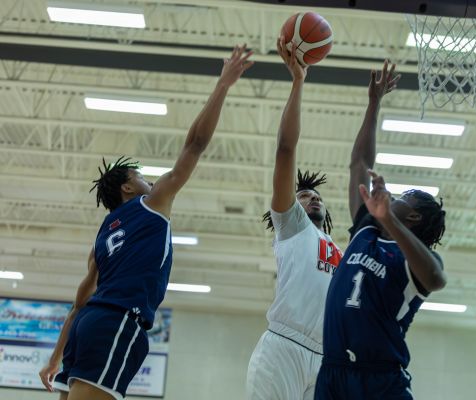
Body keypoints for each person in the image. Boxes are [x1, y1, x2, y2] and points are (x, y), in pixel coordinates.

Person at [38, 44, 254, 400]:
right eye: (141, 176)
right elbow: (195, 145)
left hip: (87, 326)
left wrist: (55, 358)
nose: (150, 181)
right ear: (127, 187)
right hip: (118, 322)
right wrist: (223, 85)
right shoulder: (151, 203)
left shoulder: (100, 240)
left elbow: (79, 304)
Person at [315, 61, 447, 399]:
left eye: (404, 197)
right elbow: (359, 164)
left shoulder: (418, 259)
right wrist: (374, 103)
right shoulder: (366, 231)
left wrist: (388, 218)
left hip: (380, 380)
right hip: (333, 373)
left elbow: (435, 280)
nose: (394, 197)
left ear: (414, 218)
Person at [245, 37, 343, 400]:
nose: (312, 198)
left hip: (327, 358)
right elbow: (286, 150)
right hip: (283, 347)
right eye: (303, 196)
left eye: (317, 196)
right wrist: (299, 82)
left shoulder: (341, 250)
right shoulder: (291, 228)